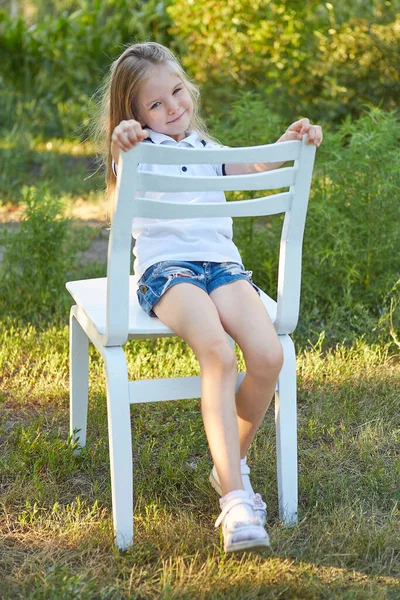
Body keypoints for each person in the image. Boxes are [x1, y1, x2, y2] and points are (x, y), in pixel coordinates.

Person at [99, 41, 322, 553]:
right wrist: (123, 140)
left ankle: (227, 469)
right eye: (156, 105)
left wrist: (283, 144)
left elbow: (247, 171)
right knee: (219, 352)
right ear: (134, 114)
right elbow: (117, 172)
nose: (173, 108)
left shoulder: (201, 145)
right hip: (168, 271)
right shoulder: (136, 148)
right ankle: (235, 501)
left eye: (177, 92)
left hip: (221, 265)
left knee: (268, 356)